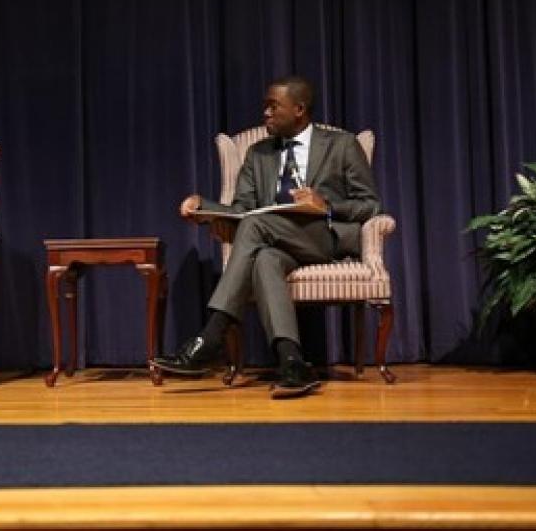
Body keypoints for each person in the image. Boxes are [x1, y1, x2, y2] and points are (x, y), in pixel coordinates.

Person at [151, 75, 381, 398]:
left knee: (256, 228)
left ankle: (210, 336)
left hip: (324, 237)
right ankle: (293, 364)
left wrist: (326, 204)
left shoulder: (341, 145)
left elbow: (370, 205)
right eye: (265, 107)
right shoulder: (257, 154)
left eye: (274, 107)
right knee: (264, 258)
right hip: (273, 239)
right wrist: (205, 207)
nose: (266, 114)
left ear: (299, 109)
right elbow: (243, 209)